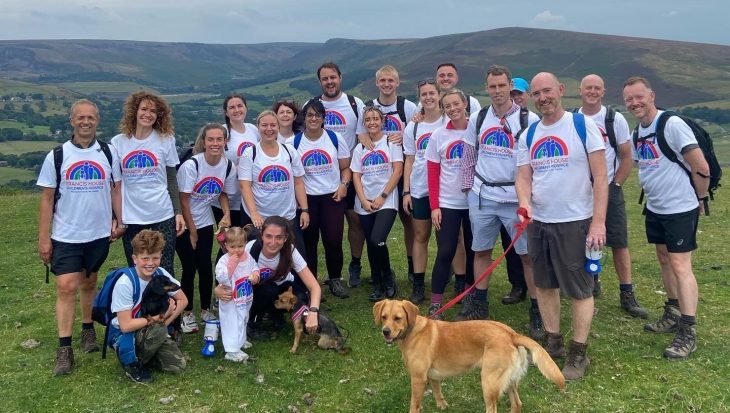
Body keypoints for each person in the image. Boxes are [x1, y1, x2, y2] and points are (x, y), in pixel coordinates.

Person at [516, 72, 608, 380]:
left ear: (561, 90)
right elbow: (524, 177)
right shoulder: (529, 134)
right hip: (539, 223)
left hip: (576, 222)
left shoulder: (583, 127)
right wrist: (525, 203)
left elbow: (601, 177)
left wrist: (598, 223)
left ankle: (578, 352)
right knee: (543, 285)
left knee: (580, 289)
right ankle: (552, 342)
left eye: (548, 91)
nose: (543, 98)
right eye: (537, 93)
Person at [623, 76, 709, 360]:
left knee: (681, 264)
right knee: (663, 258)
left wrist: (699, 198)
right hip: (656, 207)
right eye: (629, 99)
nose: (635, 103)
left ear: (652, 95)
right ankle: (672, 312)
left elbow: (701, 166)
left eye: (639, 97)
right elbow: (638, 164)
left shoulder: (671, 125)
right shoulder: (639, 132)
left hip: (679, 207)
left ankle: (688, 330)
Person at [37, 99, 123, 375]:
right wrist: (44, 238)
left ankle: (88, 328)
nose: (86, 122)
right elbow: (47, 199)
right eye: (80, 117)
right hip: (66, 233)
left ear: (97, 120)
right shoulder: (58, 155)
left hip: (98, 233)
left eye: (91, 117)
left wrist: (120, 221)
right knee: (66, 287)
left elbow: (115, 190)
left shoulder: (108, 153)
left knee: (89, 282)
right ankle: (64, 348)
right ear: (72, 121)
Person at [459, 65, 544, 339]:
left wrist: (529, 197)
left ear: (511, 87)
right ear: (487, 88)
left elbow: (534, 160)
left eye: (501, 86)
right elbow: (470, 153)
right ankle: (480, 304)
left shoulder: (528, 119)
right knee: (481, 251)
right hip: (483, 197)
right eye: (492, 86)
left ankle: (537, 310)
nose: (496, 91)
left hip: (515, 198)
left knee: (527, 256)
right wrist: (468, 187)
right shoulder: (479, 117)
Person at [577, 74, 648, 318]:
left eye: (597, 88)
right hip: (580, 192)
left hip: (608, 188)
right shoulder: (573, 119)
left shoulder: (613, 119)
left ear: (603, 91)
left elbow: (627, 156)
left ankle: (627, 293)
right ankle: (590, 284)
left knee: (618, 242)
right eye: (589, 88)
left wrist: (616, 184)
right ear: (580, 91)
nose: (593, 92)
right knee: (583, 242)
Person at [111, 91, 184, 276]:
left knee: (164, 269)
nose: (148, 114)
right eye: (144, 109)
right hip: (131, 216)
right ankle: (140, 305)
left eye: (153, 111)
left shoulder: (166, 140)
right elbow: (115, 186)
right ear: (134, 111)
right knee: (137, 270)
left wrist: (177, 212)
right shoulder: (118, 143)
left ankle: (168, 305)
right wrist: (115, 217)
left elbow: (171, 179)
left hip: (162, 213)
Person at [308, 61, 367, 287]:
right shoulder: (311, 105)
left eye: (333, 77)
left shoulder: (354, 103)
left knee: (354, 223)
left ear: (340, 78)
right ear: (320, 81)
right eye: (325, 78)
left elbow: (364, 134)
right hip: (317, 179)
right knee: (315, 234)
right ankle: (313, 279)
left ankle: (354, 265)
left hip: (349, 173)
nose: (329, 82)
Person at [215, 216, 321, 341]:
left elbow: (314, 286)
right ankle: (252, 323)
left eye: (279, 237)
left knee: (300, 293)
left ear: (285, 238)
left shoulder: (290, 251)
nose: (273, 242)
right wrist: (217, 289)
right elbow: (227, 274)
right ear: (261, 235)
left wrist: (313, 312)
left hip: (279, 290)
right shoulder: (248, 249)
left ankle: (282, 315)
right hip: (255, 291)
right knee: (268, 289)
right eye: (268, 236)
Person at [176, 123, 237, 333]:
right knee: (189, 267)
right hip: (184, 224)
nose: (215, 143)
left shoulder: (227, 166)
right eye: (210, 139)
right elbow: (183, 200)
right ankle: (187, 314)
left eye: (219, 139)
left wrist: (226, 213)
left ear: (225, 141)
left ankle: (204, 309)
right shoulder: (192, 165)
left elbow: (221, 193)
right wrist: (192, 231)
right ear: (203, 141)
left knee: (205, 266)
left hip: (204, 223)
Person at [288, 99, 351, 298]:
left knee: (333, 240)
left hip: (332, 197)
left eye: (317, 115)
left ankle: (335, 279)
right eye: (309, 115)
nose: (313, 119)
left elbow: (345, 168)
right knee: (309, 242)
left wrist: (344, 185)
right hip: (306, 200)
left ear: (324, 118)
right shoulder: (293, 143)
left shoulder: (334, 138)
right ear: (303, 118)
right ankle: (312, 283)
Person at [362, 65, 419, 283]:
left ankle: (413, 267)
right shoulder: (368, 107)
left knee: (409, 222)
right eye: (382, 80)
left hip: (403, 169)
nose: (386, 84)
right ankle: (376, 271)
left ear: (397, 82)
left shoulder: (408, 106)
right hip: (377, 172)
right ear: (377, 83)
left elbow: (416, 132)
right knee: (371, 226)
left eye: (390, 81)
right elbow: (361, 135)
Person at [108, 230, 187, 383]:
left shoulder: (161, 273)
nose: (150, 263)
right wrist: (159, 319)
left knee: (177, 366)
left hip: (153, 328)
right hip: (126, 333)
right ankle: (131, 361)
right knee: (157, 331)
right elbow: (125, 325)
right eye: (145, 258)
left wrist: (165, 323)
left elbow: (183, 300)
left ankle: (147, 355)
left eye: (155, 258)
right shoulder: (126, 283)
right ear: (134, 259)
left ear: (161, 257)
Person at [425, 90, 475, 319]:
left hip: (475, 200)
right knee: (446, 251)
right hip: (448, 202)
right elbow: (433, 173)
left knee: (475, 251)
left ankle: (469, 295)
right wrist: (435, 206)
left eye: (457, 103)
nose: (453, 108)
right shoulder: (438, 135)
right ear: (443, 109)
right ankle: (436, 302)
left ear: (465, 103)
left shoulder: (477, 128)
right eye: (448, 106)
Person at [351, 106, 404, 301]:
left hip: (387, 200)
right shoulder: (360, 147)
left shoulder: (391, 143)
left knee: (377, 240)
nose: (372, 122)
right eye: (368, 119)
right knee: (372, 245)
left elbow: (397, 171)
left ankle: (388, 277)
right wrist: (363, 200)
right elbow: (356, 176)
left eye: (376, 119)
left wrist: (383, 195)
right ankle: (377, 282)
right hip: (365, 201)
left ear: (383, 122)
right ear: (364, 124)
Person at [239, 111, 309, 256]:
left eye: (273, 125)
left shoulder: (289, 151)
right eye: (264, 125)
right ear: (258, 127)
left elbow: (298, 183)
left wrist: (304, 210)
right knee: (260, 262)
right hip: (261, 219)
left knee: (296, 258)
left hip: (287, 217)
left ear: (278, 127)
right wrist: (254, 213)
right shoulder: (250, 153)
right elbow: (245, 186)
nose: (269, 129)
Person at [402, 79, 447, 304]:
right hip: (420, 188)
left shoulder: (449, 121)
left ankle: (452, 279)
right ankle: (419, 284)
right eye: (424, 94)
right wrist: (406, 191)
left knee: (448, 238)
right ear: (419, 97)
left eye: (432, 93)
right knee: (420, 236)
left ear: (439, 95)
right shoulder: (414, 126)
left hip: (447, 189)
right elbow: (409, 159)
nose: (428, 97)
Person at [215, 226, 260, 362]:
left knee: (243, 318)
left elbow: (254, 267)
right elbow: (221, 277)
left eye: (240, 246)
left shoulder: (248, 257)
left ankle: (240, 341)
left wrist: (255, 275)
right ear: (226, 246)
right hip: (230, 297)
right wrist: (231, 265)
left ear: (245, 244)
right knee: (232, 321)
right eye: (233, 247)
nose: (237, 250)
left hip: (244, 295)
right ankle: (231, 350)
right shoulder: (224, 260)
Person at [217, 94, 260, 234]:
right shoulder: (222, 132)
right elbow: (214, 163)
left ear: (246, 108)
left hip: (249, 197)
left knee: (247, 241)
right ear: (226, 112)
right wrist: (237, 168)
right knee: (230, 242)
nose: (236, 110)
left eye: (239, 106)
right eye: (232, 107)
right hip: (229, 199)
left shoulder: (253, 129)